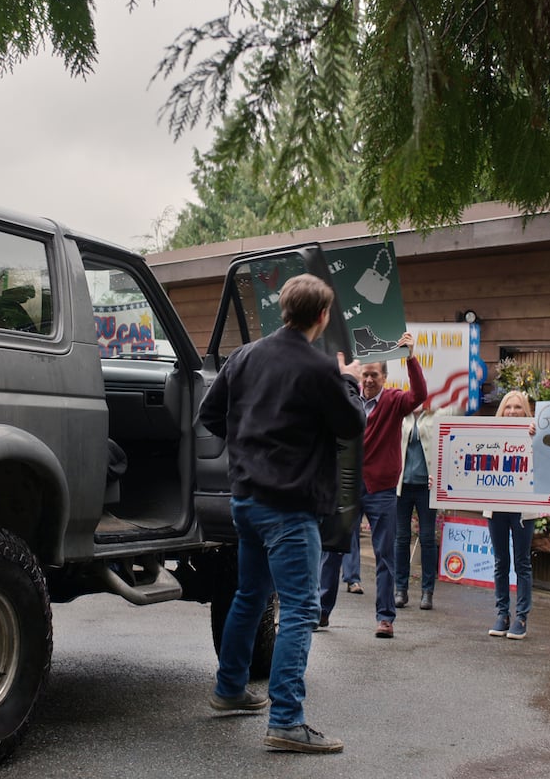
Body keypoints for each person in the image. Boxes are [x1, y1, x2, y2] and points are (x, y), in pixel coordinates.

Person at [198, 273, 364, 754]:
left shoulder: (244, 357)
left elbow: (210, 416)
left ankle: (229, 690)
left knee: (249, 595)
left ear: (283, 310)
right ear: (323, 316)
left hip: (245, 501)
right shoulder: (318, 370)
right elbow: (352, 423)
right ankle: (287, 721)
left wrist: (250, 446)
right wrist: (350, 381)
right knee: (300, 609)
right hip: (290, 509)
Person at [319, 338, 427, 638]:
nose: (367, 380)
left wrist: (411, 358)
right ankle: (322, 611)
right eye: (364, 374)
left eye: (374, 375)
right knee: (331, 550)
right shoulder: (347, 397)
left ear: (384, 378)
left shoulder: (393, 401)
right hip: (346, 487)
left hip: (380, 489)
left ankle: (385, 618)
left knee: (385, 554)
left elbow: (419, 394)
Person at [485, 390, 542, 639]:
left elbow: (546, 461)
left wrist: (537, 438)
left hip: (522, 508)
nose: (512, 412)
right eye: (508, 407)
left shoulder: (535, 433)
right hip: (496, 506)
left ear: (526, 410)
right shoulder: (492, 434)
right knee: (500, 562)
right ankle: (502, 614)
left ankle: (521, 616)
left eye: (518, 407)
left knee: (522, 563)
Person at [394, 402, 459, 611]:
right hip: (402, 485)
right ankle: (400, 589)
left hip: (427, 486)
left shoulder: (437, 412)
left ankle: (427, 591)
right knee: (401, 537)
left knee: (428, 538)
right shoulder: (401, 414)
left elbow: (462, 406)